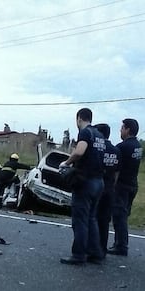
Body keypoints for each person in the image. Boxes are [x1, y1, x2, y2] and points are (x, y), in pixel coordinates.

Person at [59, 108, 106, 265]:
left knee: (80, 220)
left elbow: (79, 152)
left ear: (79, 118)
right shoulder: (99, 134)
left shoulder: (85, 133)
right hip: (99, 181)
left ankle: (78, 255)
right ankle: (95, 254)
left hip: (85, 181)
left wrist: (66, 163)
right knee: (91, 219)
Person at [108, 118, 143, 256]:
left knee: (119, 216)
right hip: (133, 184)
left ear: (128, 129)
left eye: (122, 128)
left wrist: (112, 186)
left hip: (122, 185)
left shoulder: (122, 147)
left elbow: (116, 169)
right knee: (124, 215)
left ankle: (121, 245)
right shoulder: (137, 146)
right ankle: (120, 243)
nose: (120, 130)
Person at [94, 123, 120, 257]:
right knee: (104, 221)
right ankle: (102, 250)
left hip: (97, 186)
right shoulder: (116, 150)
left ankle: (92, 249)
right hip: (110, 188)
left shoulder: (99, 149)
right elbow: (117, 173)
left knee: (93, 218)